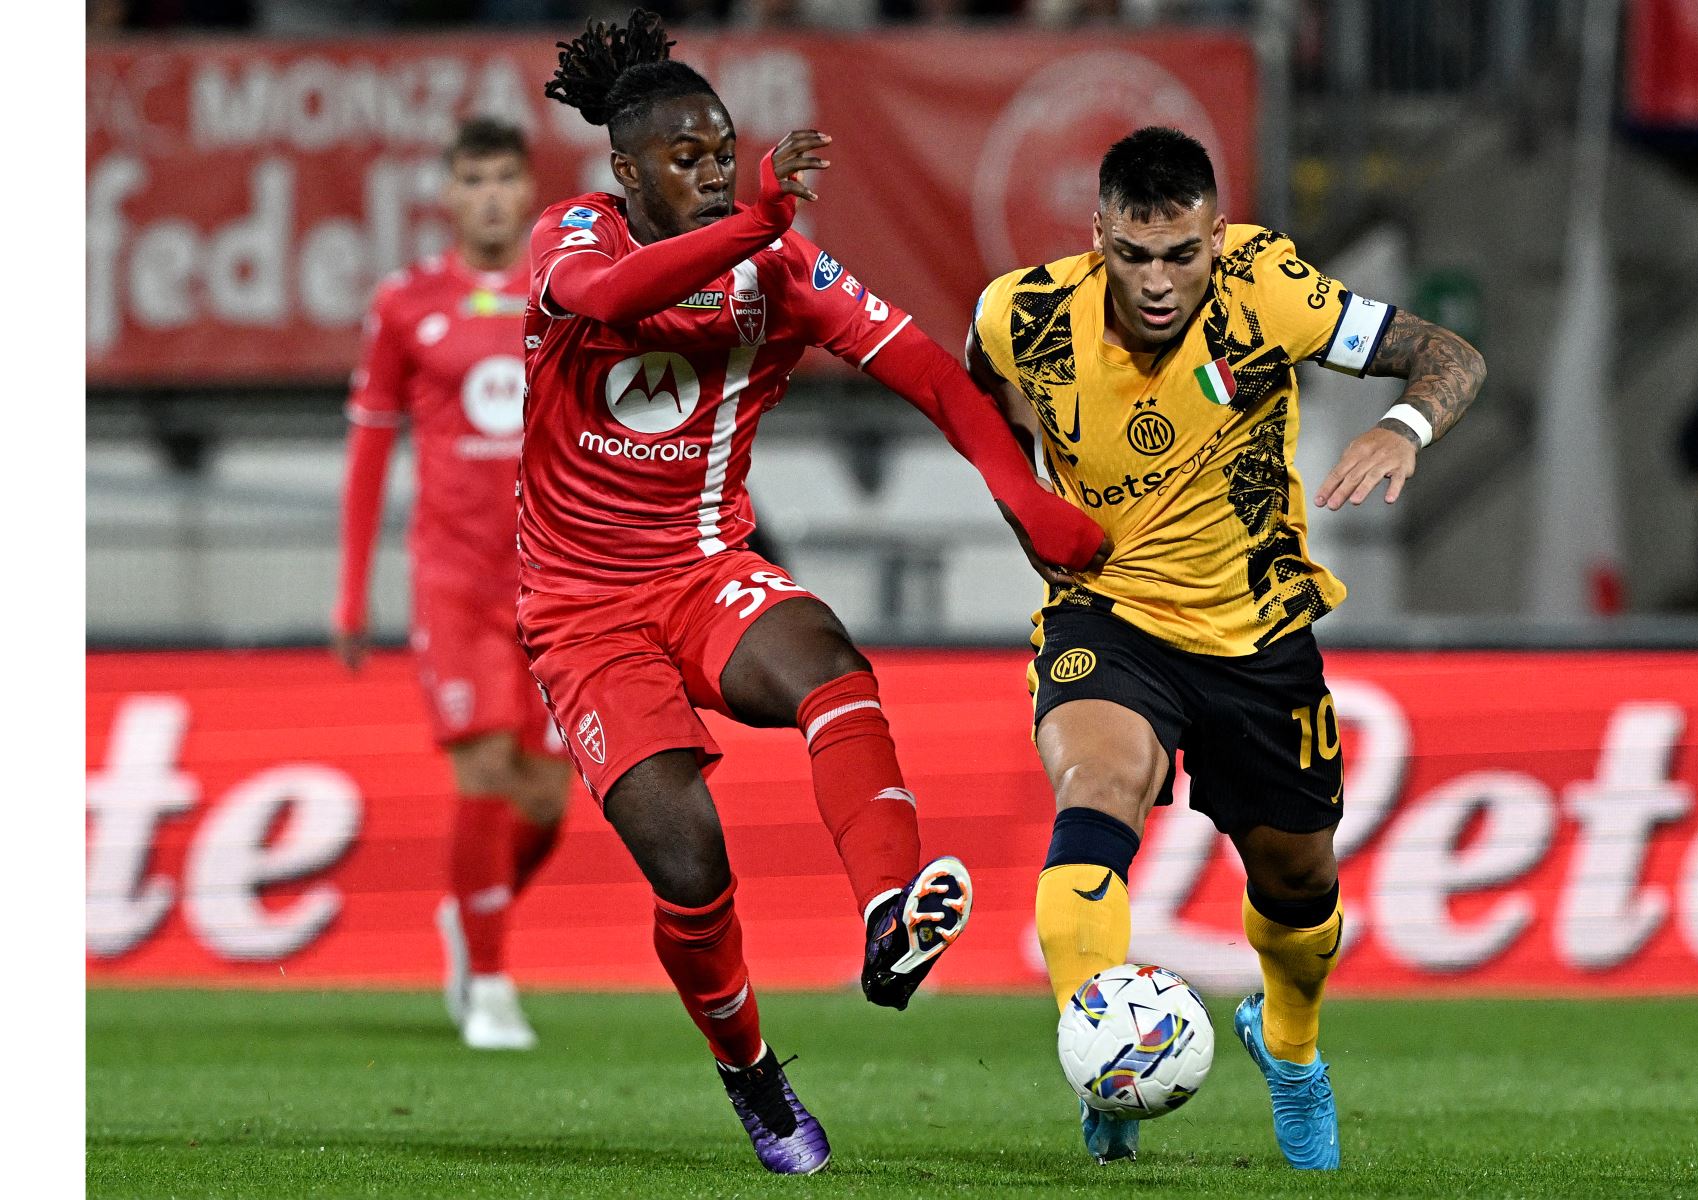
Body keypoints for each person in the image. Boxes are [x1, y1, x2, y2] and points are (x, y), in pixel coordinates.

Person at [524, 9, 1107, 1175]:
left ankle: (891, 916)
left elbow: (931, 373)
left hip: (704, 569)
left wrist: (1023, 500)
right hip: (582, 611)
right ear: (624, 171)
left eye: (721, 148)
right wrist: (751, 218)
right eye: (681, 158)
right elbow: (615, 302)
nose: (706, 169)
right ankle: (750, 1072)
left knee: (832, 666)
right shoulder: (568, 239)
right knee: (689, 865)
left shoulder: (779, 265)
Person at [965, 126, 1485, 1169]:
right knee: (1097, 788)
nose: (1159, 282)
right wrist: (1025, 495)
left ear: (1215, 234)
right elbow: (978, 394)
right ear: (1098, 235)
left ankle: (1288, 1050)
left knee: (1297, 888)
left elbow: (1452, 353)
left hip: (1258, 635)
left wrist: (1402, 429)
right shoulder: (1020, 312)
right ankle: (1102, 1060)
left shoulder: (1269, 291)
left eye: (1183, 253)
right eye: (1134, 254)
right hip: (1106, 616)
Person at [333, 118, 570, 1052]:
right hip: (455, 581)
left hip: (556, 581)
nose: (487, 196)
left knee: (546, 801)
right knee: (481, 772)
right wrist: (351, 592)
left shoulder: (567, 289)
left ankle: (472, 917)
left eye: (503, 178)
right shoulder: (406, 303)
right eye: (470, 178)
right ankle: (493, 987)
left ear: (526, 190)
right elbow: (368, 445)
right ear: (447, 191)